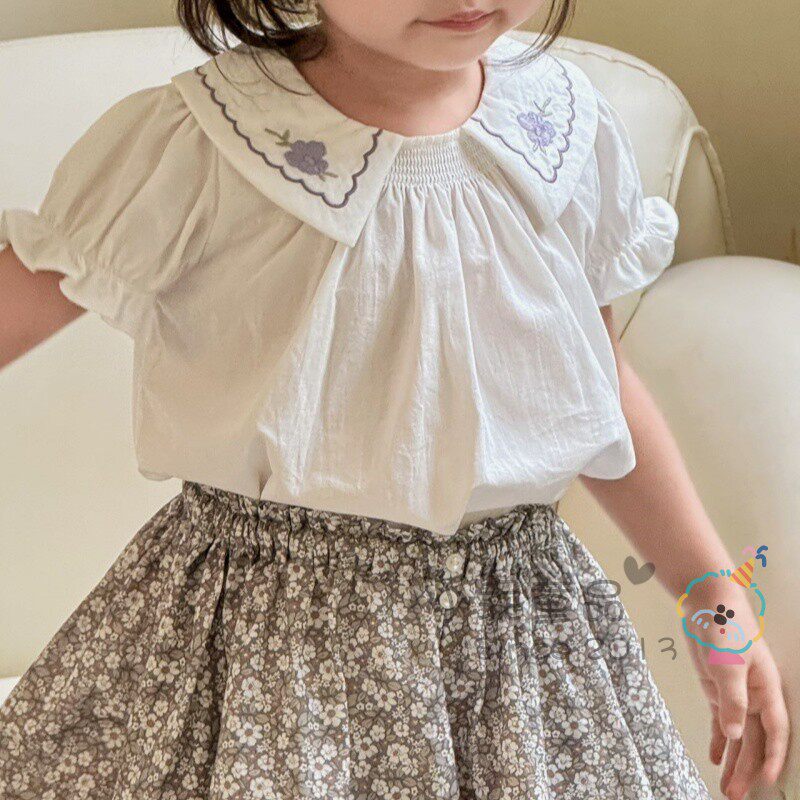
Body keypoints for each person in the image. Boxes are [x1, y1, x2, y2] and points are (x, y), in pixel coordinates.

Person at [0, 1, 789, 798]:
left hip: (519, 653)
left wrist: (710, 590)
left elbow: (594, 389)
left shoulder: (561, 131)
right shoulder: (202, 141)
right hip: (262, 652)